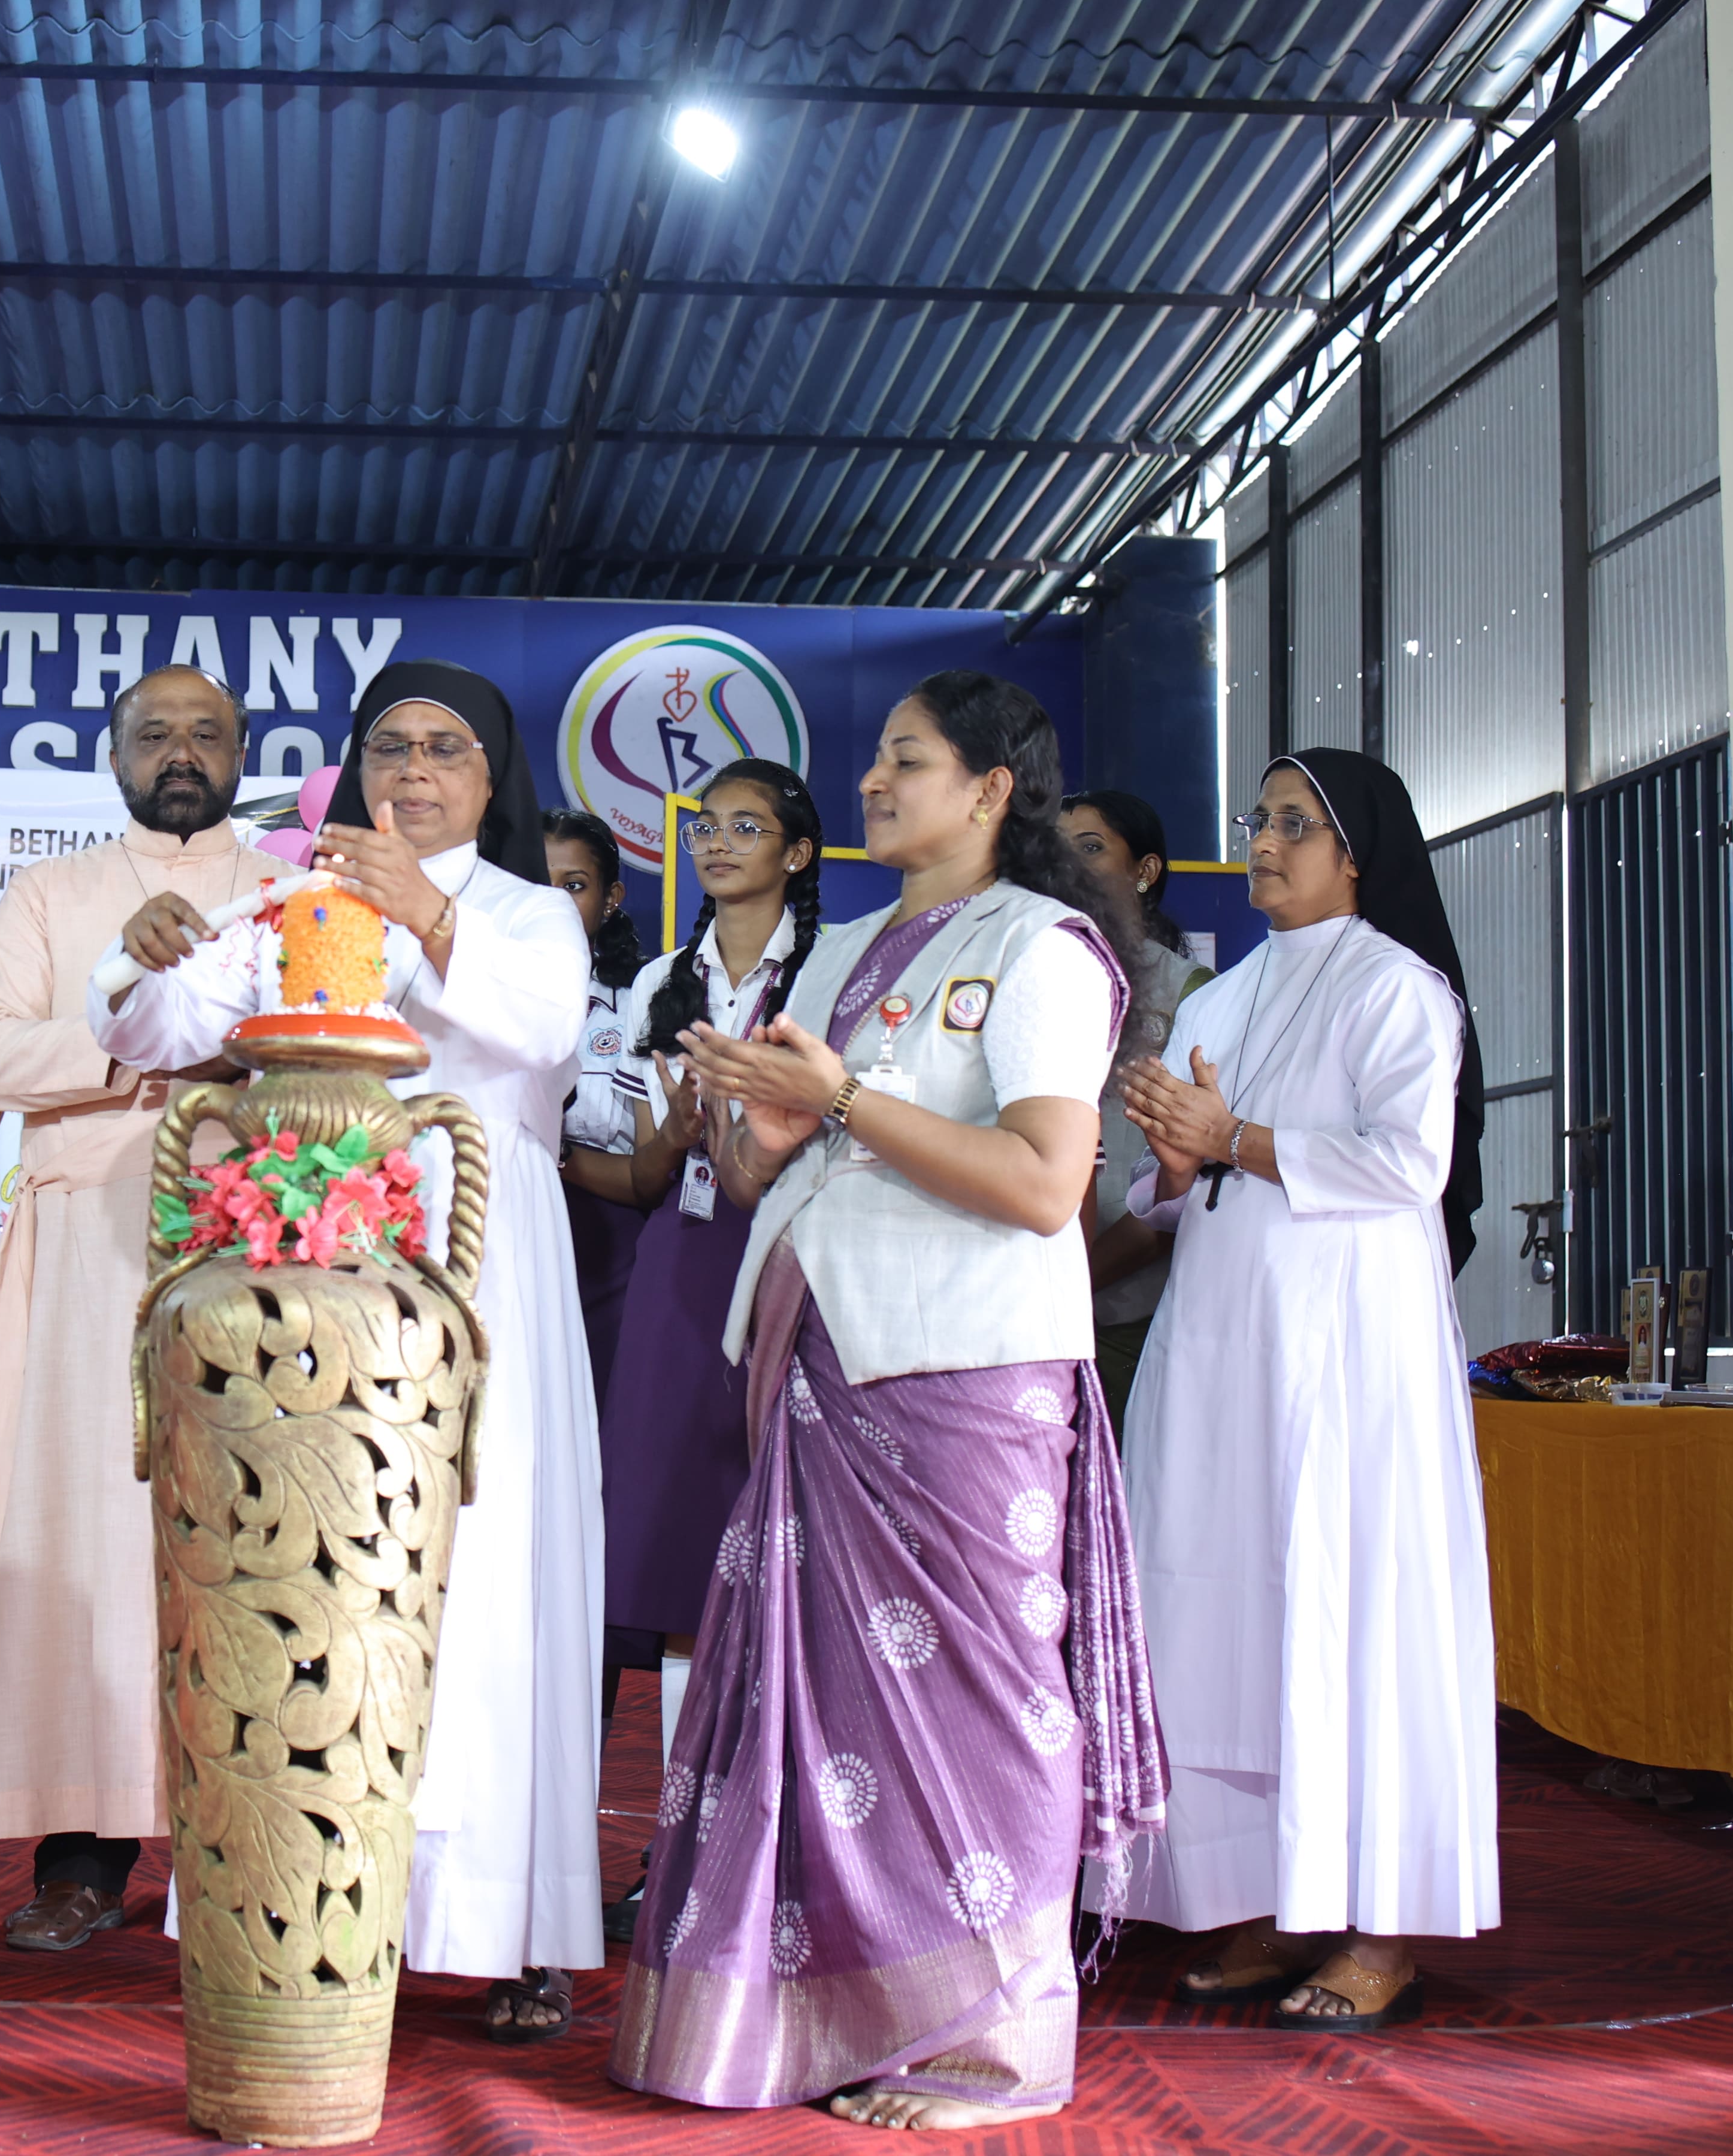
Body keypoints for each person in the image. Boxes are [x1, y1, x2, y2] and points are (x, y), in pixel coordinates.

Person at [609, 672, 1166, 2132]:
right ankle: (828, 2013)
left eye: (905, 761)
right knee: (828, 1708)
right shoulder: (847, 946)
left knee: (979, 1702)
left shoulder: (1039, 947)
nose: (871, 781)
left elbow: (1043, 1183)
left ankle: (993, 2046)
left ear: (990, 788)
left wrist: (845, 1101)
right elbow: (770, 1174)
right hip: (818, 1351)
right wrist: (753, 1119)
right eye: (873, 759)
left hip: (961, 1366)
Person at [95, 661, 604, 2042]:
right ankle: (291, 1905)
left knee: (485, 1585)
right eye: (390, 746)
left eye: (446, 749)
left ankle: (506, 1925)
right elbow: (159, 1030)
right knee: (311, 1567)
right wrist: (138, 956)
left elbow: (543, 1030)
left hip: (481, 1258)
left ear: (491, 781)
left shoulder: (526, 913)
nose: (413, 771)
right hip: (314, 1267)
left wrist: (425, 913)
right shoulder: (297, 894)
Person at [1114, 749, 1495, 2028]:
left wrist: (1232, 1139)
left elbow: (1410, 1163)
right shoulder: (1222, 997)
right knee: (1230, 1609)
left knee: (1351, 1604)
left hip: (1348, 1345)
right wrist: (1176, 1163)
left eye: (1295, 822)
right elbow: (1168, 1189)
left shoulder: (1400, 988)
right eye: (1259, 818)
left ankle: (1383, 1925)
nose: (1264, 841)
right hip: (1223, 1336)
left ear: (1357, 852)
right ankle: (1278, 1898)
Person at [0, 666, 289, 1950]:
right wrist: (129, 1029)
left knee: (238, 1533)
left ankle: (238, 1849)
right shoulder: (52, 892)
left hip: (249, 1237)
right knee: (87, 1539)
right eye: (155, 734)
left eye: (206, 734)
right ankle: (80, 1859)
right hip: (87, 1242)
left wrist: (233, 1051)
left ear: (241, 752)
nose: (180, 753)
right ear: (115, 755)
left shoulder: (286, 892)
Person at [568, 761, 825, 1940]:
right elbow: (635, 1169)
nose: (718, 843)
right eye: (706, 826)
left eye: (747, 826)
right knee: (681, 1568)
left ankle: (774, 1849)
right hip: (679, 1270)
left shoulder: (833, 968)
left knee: (788, 1567)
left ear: (799, 852)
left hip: (793, 1262)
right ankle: (679, 1849)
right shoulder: (657, 981)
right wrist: (674, 1136)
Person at [1061, 791, 1215, 1426]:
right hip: (1022, 1305)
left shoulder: (1192, 994)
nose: (1067, 864)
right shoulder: (1013, 976)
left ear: (1145, 871)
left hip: (1136, 1310)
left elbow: (1194, 1172)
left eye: (1091, 847)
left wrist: (1073, 1284)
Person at [543, 810, 651, 1456]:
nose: (555, 901)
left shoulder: (644, 1000)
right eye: (539, 881)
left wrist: (549, 1154)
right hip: (501, 1233)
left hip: (609, 1252)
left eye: (575, 885)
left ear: (612, 898)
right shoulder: (473, 992)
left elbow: (651, 1172)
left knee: (598, 1440)